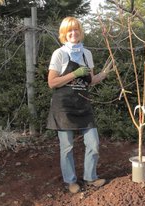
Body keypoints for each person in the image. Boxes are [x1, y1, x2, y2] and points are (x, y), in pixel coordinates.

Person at [46, 17, 111, 194]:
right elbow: (52, 83)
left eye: (76, 30)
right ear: (64, 34)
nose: (73, 33)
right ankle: (70, 180)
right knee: (67, 147)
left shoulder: (86, 54)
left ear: (80, 32)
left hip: (83, 104)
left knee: (93, 143)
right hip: (64, 107)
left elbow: (89, 81)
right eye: (69, 31)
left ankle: (90, 177)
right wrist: (74, 73)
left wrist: (104, 74)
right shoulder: (59, 54)